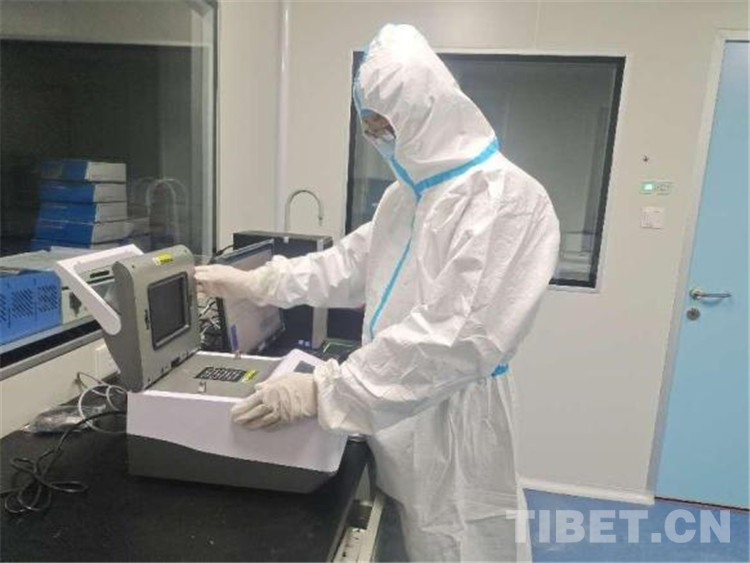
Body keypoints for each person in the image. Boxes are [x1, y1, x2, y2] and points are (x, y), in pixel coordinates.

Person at [196, 24, 560, 562]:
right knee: (394, 541)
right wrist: (256, 283)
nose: (376, 138)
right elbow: (346, 265)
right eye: (368, 125)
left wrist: (325, 391)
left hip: (452, 422)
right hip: (391, 403)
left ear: (429, 111)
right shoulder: (407, 198)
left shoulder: (507, 200)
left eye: (385, 124)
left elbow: (458, 340)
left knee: (455, 545)